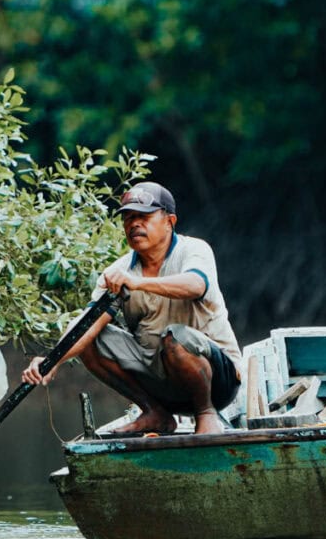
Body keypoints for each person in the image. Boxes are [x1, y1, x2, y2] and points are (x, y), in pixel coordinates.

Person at [22, 182, 242, 435]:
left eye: (144, 217)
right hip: (161, 381)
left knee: (176, 338)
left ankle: (205, 415)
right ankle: (154, 412)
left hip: (218, 383)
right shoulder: (118, 272)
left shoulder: (194, 250)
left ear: (170, 221)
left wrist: (139, 283)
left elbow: (195, 285)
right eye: (128, 218)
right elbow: (88, 323)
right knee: (89, 336)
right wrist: (51, 361)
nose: (134, 224)